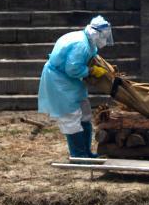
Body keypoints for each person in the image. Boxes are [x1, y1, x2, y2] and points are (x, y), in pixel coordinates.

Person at [37, 15, 114, 158]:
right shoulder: (81, 45)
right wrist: (91, 71)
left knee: (85, 113)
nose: (105, 39)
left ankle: (86, 152)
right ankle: (78, 155)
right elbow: (72, 69)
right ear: (96, 33)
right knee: (71, 116)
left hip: (70, 81)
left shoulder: (87, 41)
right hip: (59, 80)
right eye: (104, 36)